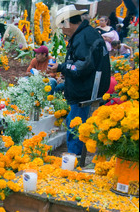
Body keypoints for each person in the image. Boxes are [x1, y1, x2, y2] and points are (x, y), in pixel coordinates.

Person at [48, 5, 111, 156]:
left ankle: (73, 161)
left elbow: (81, 67)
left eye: (62, 25)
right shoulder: (84, 34)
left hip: (83, 93)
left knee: (76, 129)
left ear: (68, 23)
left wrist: (61, 67)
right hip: (83, 90)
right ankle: (75, 158)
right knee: (77, 128)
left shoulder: (84, 37)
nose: (62, 30)